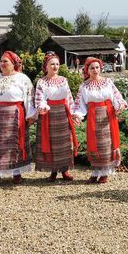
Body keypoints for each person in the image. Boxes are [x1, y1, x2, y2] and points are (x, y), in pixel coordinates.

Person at [0, 51, 35, 186]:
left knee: (13, 145)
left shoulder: (22, 78)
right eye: (1, 61)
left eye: (6, 61)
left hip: (15, 116)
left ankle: (16, 173)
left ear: (13, 64)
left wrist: (31, 115)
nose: (2, 64)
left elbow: (29, 97)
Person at [72, 57, 128, 184]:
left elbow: (117, 96)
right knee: (95, 144)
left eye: (97, 67)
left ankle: (105, 173)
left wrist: (120, 105)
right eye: (92, 68)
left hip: (108, 116)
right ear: (87, 70)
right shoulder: (84, 86)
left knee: (107, 144)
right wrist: (77, 114)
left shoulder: (108, 82)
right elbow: (79, 104)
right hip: (93, 116)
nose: (95, 70)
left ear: (100, 68)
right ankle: (95, 172)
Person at [33, 52, 78, 181]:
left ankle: (65, 170)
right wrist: (43, 107)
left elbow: (69, 97)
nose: (55, 67)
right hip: (48, 114)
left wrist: (73, 113)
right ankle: (53, 171)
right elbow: (39, 98)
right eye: (52, 64)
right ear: (46, 66)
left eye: (57, 64)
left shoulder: (64, 80)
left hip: (63, 113)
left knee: (64, 142)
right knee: (51, 142)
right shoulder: (42, 82)